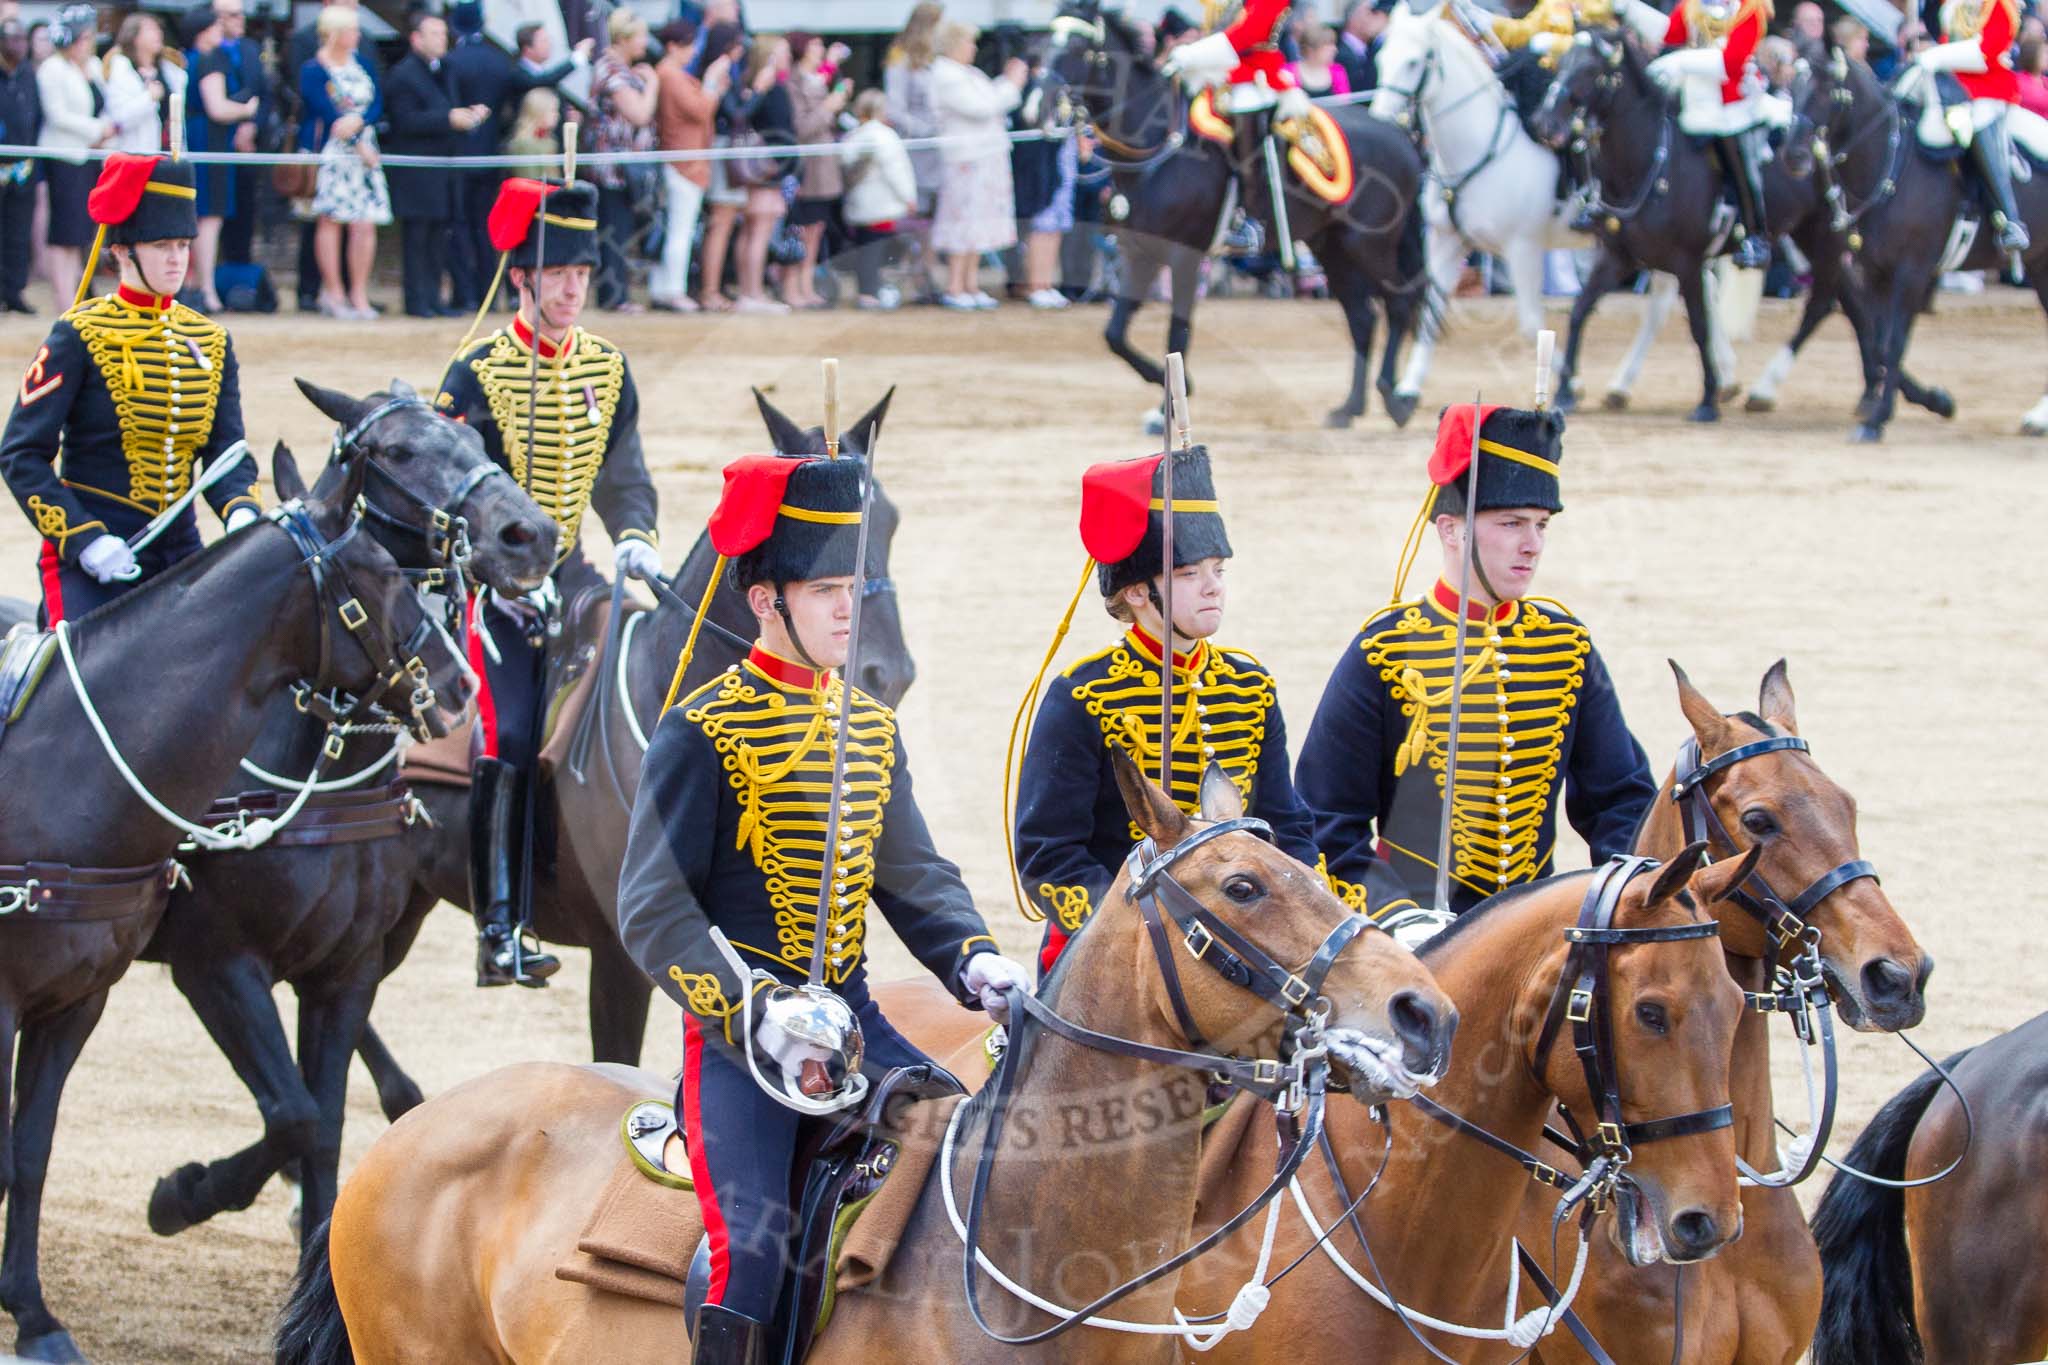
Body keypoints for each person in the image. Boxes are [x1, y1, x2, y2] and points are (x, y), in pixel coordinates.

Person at [618, 451, 1028, 1361]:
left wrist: (974, 957)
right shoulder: (702, 728)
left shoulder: (871, 728)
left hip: (859, 1023)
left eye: (857, 586)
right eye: (827, 589)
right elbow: (651, 907)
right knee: (752, 1257)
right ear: (767, 600)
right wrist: (756, 1007)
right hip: (740, 1045)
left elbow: (915, 873)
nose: (852, 609)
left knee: (969, 1169)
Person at [1294, 404, 1655, 925]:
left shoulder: (1565, 647)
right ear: (1451, 530)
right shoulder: (1386, 651)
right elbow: (1326, 818)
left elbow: (1620, 798)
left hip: (1534, 933)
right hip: (1414, 934)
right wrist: (1394, 914)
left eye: (1540, 525)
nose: (1531, 545)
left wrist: (1623, 899)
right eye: (1510, 523)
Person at [435, 178, 661, 987]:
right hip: (490, 584)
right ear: (523, 279)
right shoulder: (476, 374)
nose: (572, 290)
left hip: (569, 571)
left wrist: (635, 535)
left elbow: (622, 476)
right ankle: (499, 925)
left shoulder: (606, 366)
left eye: (581, 275)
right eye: (556, 274)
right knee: (515, 729)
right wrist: (498, 574)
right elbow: (448, 496)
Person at [1013, 446, 1323, 975]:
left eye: (1218, 569)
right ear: (1136, 591)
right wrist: (1147, 933)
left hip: (1248, 951)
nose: (1213, 586)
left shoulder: (1250, 685)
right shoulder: (1084, 696)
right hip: (1120, 958)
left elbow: (1285, 824)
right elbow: (1049, 855)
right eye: (1187, 573)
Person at [0, 153, 259, 626]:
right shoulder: (79, 333)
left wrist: (240, 510)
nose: (177, 259)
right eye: (162, 245)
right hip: (94, 551)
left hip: (181, 551)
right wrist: (83, 538)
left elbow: (227, 453)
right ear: (123, 251)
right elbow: (22, 454)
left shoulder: (211, 340)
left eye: (183, 245)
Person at [444, 6, 587, 311]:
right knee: (479, 227)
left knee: (470, 226)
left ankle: (477, 293)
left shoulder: (458, 61)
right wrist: (576, 59)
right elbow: (540, 82)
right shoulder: (506, 67)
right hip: (503, 159)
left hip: (476, 154)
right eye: (543, 41)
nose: (548, 46)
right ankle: (483, 292)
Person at [1647, 0, 1782, 268]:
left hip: (1734, 104)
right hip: (1692, 99)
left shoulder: (1749, 9)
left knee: (1739, 156)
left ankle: (1755, 234)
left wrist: (1683, 61)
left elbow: (1731, 62)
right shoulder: (1692, 5)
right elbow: (1670, 36)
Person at [384, 12, 487, 318]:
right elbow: (404, 120)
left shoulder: (445, 70)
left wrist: (466, 114)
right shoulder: (403, 75)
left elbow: (443, 109)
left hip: (442, 168)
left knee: (438, 236)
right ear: (416, 38)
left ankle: (434, 297)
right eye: (435, 34)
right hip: (416, 170)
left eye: (443, 34)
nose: (442, 39)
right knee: (417, 237)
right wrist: (448, 118)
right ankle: (417, 300)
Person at [1913, 0, 2031, 251]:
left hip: (1987, 87)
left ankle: (2011, 218)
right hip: (1952, 83)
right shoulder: (1953, 3)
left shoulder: (2000, 4)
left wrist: (1935, 55)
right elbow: (1949, 41)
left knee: (1978, 120)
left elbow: (1986, 52)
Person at [288, 0, 381, 313]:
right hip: (333, 152)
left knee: (364, 223)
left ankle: (359, 292)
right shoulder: (313, 69)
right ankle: (334, 291)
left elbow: (377, 100)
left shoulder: (363, 63)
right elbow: (326, 112)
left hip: (365, 151)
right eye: (351, 30)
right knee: (330, 221)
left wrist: (363, 122)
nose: (357, 35)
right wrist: (357, 141)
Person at [930, 22, 1024, 310]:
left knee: (979, 222)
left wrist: (1006, 86)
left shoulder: (968, 73)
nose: (973, 48)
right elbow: (982, 107)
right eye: (968, 42)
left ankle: (970, 284)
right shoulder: (945, 74)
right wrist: (1011, 83)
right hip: (965, 159)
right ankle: (955, 286)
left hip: (985, 157)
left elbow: (991, 101)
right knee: (963, 220)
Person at [183, 3, 259, 313]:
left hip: (201, 137)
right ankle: (206, 289)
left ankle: (198, 285)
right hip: (209, 141)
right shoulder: (210, 59)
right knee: (209, 217)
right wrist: (246, 109)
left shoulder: (191, 59)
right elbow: (217, 107)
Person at [36, 5, 110, 310]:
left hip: (90, 156)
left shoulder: (92, 65)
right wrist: (98, 129)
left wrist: (106, 130)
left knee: (81, 230)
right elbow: (58, 116)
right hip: (64, 156)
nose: (90, 42)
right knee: (64, 231)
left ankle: (76, 294)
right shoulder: (52, 69)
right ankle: (63, 297)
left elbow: (103, 101)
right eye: (86, 37)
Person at [590, 9, 658, 312]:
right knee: (613, 231)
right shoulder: (612, 70)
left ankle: (618, 295)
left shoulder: (619, 68)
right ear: (624, 37)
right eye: (641, 35)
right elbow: (639, 113)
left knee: (620, 229)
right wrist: (653, 84)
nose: (645, 42)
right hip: (613, 170)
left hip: (624, 168)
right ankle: (613, 297)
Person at [650, 19, 719, 312]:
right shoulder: (671, 76)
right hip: (683, 162)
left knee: (677, 228)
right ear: (672, 46)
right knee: (680, 228)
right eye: (688, 45)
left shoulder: (669, 74)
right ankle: (672, 290)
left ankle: (666, 287)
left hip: (682, 160)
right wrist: (713, 84)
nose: (692, 51)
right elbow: (700, 110)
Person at [731, 34, 795, 314]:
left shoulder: (749, 85)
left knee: (751, 230)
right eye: (782, 52)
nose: (788, 57)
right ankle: (753, 293)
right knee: (759, 230)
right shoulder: (771, 89)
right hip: (768, 169)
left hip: (756, 167)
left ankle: (749, 291)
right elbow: (781, 132)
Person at [785, 30, 847, 311]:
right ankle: (795, 287)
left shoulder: (814, 80)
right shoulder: (793, 83)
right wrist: (829, 107)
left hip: (823, 168)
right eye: (815, 45)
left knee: (816, 230)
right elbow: (802, 127)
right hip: (806, 169)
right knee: (803, 231)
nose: (819, 49)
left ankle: (807, 286)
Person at [839, 88, 918, 309]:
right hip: (880, 204)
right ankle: (870, 293)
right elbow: (896, 170)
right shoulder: (883, 135)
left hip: (860, 204)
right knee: (874, 251)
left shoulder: (854, 135)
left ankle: (867, 291)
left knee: (866, 249)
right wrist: (908, 197)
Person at [692, 21, 748, 311]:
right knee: (721, 222)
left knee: (723, 222)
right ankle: (710, 290)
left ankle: (713, 287)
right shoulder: (721, 69)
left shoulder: (716, 68)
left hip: (722, 150)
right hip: (723, 151)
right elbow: (734, 114)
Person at [103, 14, 184, 155]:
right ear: (134, 37)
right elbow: (119, 117)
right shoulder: (121, 71)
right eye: (150, 29)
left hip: (169, 153)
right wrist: (149, 97)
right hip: (134, 154)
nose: (158, 33)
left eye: (158, 29)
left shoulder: (171, 71)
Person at [0, 18, 37, 313]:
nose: (20, 45)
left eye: (23, 39)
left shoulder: (27, 74)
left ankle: (14, 291)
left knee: (18, 231)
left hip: (23, 165)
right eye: (13, 39)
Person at [502, 86, 561, 179]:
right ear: (539, 112)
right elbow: (530, 179)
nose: (557, 115)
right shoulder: (524, 144)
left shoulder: (549, 140)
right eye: (553, 111)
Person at [1336, 0, 1388, 93]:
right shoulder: (1341, 54)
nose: (1375, 18)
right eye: (1371, 13)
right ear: (1354, 18)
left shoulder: (1368, 48)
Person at [1288, 23, 1352, 97]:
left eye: (1333, 45)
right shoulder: (1288, 73)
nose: (1335, 49)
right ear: (1310, 50)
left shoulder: (1338, 71)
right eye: (1328, 46)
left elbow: (1345, 104)